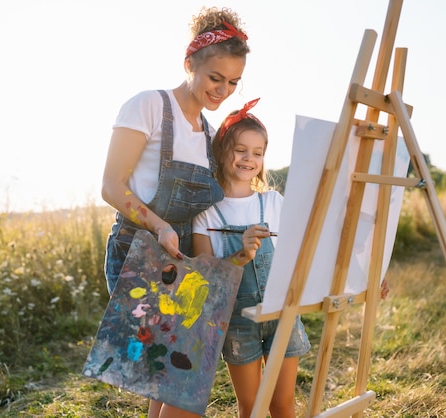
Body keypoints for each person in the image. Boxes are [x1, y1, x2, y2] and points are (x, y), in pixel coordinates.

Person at [99, 6, 250, 418]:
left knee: (170, 381)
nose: (223, 91)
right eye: (214, 78)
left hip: (187, 259)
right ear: (189, 64)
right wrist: (160, 224)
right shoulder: (149, 106)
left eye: (233, 82)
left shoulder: (213, 135)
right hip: (140, 252)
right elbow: (112, 185)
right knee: (180, 381)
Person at [192, 99, 311, 418]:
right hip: (236, 323)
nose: (249, 159)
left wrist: (368, 273)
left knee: (283, 404)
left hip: (281, 317)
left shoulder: (274, 202)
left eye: (257, 153)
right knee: (252, 407)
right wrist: (241, 255)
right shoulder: (205, 214)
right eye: (240, 150)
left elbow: (308, 253)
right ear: (221, 151)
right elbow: (206, 278)